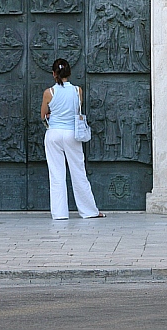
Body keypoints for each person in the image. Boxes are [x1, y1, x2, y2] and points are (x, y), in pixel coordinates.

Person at [40, 59, 105, 220]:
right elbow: (76, 110)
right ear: (68, 73)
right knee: (78, 172)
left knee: (56, 174)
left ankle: (59, 213)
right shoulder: (78, 91)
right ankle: (89, 211)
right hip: (71, 134)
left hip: (53, 134)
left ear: (53, 74)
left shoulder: (49, 92)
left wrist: (50, 116)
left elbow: (43, 115)